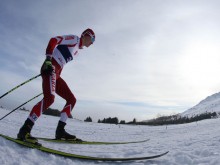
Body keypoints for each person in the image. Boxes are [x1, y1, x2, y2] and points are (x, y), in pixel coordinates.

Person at [17, 28, 95, 143]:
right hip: (50, 67)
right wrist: (48, 60)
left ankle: (60, 131)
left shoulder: (77, 51)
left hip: (56, 73)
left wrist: (54, 79)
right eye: (92, 39)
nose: (92, 42)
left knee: (71, 99)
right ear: (86, 35)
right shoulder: (74, 39)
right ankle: (25, 130)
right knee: (49, 99)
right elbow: (54, 40)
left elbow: (61, 62)